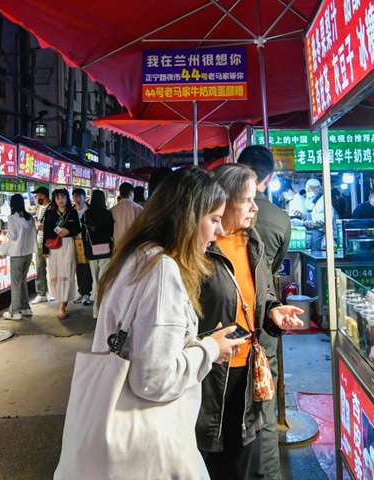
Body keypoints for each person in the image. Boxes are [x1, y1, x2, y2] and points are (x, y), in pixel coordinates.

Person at [86, 167, 246, 478]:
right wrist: (211, 349)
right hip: (148, 446)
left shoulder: (139, 255)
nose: (218, 232)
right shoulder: (162, 272)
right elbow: (153, 379)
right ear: (187, 218)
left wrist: (201, 344)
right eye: (213, 220)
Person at [197, 164, 304, 479]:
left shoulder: (253, 242)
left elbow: (262, 295)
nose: (256, 207)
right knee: (214, 459)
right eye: (247, 200)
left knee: (249, 457)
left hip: (251, 370)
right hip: (213, 374)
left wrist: (272, 311)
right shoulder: (200, 249)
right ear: (225, 201)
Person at [237, 145, 292, 479]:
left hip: (247, 317)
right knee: (263, 400)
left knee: (245, 400)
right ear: (268, 178)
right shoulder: (279, 218)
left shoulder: (229, 216)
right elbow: (275, 265)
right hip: (263, 317)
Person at [42, 188, 81, 320]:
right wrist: (44, 250)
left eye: (63, 197)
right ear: (54, 199)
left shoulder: (72, 212)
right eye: (58, 198)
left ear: (67, 198)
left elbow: (77, 228)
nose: (60, 200)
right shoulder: (50, 213)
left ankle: (62, 305)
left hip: (68, 244)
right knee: (54, 272)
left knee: (67, 272)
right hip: (53, 246)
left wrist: (68, 231)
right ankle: (59, 298)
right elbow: (46, 232)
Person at [81, 190, 115, 319]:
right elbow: (111, 232)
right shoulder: (107, 214)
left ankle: (95, 310)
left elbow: (84, 236)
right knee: (103, 280)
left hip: (91, 251)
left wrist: (85, 251)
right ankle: (101, 308)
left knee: (95, 280)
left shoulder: (86, 215)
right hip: (106, 250)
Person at [2, 194, 36, 320]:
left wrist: (4, 237)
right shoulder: (29, 218)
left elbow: (12, 236)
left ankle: (14, 311)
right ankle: (25, 308)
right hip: (28, 253)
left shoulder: (12, 218)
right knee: (22, 281)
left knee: (16, 283)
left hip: (17, 254)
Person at [299, 178, 334, 251]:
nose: (307, 191)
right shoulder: (311, 200)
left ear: (317, 189)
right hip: (313, 232)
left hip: (321, 233)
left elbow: (319, 223)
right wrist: (302, 215)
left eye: (310, 188)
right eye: (307, 189)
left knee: (317, 253)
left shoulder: (323, 202)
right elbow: (312, 216)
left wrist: (302, 223)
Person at [72, 188, 93, 306]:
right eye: (75, 196)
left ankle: (87, 293)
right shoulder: (71, 211)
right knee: (78, 268)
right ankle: (81, 291)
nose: (78, 199)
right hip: (74, 242)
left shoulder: (90, 210)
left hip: (87, 242)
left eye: (80, 196)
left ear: (85, 197)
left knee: (87, 268)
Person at [32, 186, 52, 304]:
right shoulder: (39, 208)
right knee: (39, 267)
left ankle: (53, 291)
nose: (36, 198)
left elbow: (55, 225)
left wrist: (43, 227)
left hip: (50, 242)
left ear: (42, 195)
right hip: (39, 240)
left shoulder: (52, 208)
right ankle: (41, 293)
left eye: (37, 195)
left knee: (51, 267)